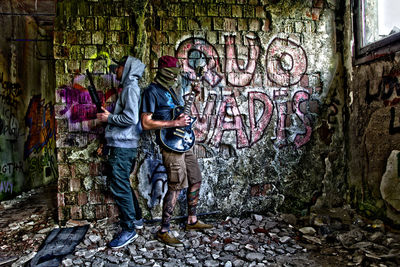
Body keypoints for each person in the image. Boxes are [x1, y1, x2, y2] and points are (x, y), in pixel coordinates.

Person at [140, 55, 212, 247]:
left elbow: (179, 110)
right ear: (164, 73)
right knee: (176, 185)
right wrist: (174, 123)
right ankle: (164, 230)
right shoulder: (151, 92)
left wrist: (193, 95)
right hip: (169, 145)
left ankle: (192, 220)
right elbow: (146, 123)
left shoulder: (171, 89)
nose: (175, 77)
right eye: (172, 74)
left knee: (195, 178)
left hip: (184, 142)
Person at [97, 55, 145, 249]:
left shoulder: (131, 89)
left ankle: (129, 229)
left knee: (119, 186)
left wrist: (109, 118)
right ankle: (138, 219)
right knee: (123, 183)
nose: (115, 70)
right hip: (122, 146)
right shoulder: (128, 88)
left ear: (126, 69)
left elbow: (130, 119)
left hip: (123, 148)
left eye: (118, 67)